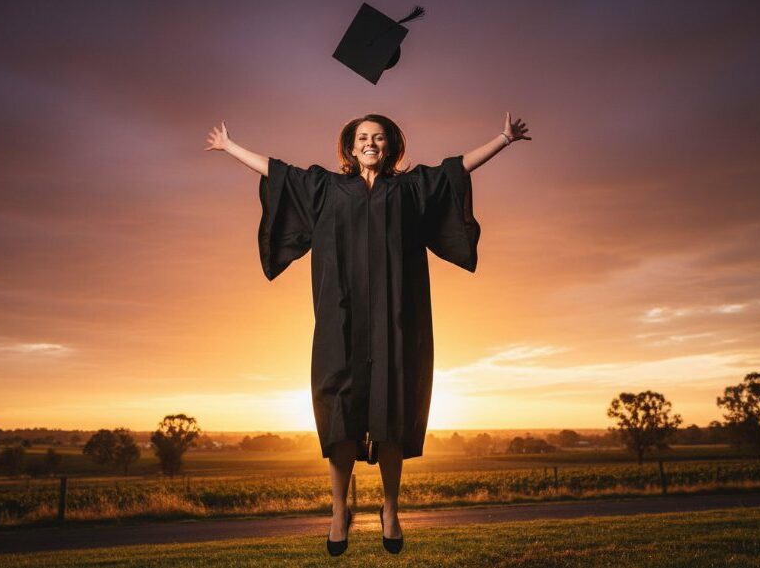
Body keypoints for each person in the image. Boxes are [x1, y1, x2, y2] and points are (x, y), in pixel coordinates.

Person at [204, 112, 530, 555]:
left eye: (378, 137)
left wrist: (503, 139)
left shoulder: (410, 189)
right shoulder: (326, 189)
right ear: (351, 147)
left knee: (392, 417)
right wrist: (229, 146)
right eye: (363, 137)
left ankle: (390, 510)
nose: (370, 143)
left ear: (391, 145)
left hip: (398, 321)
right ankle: (339, 510)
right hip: (341, 323)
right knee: (340, 418)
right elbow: (279, 172)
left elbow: (456, 169)